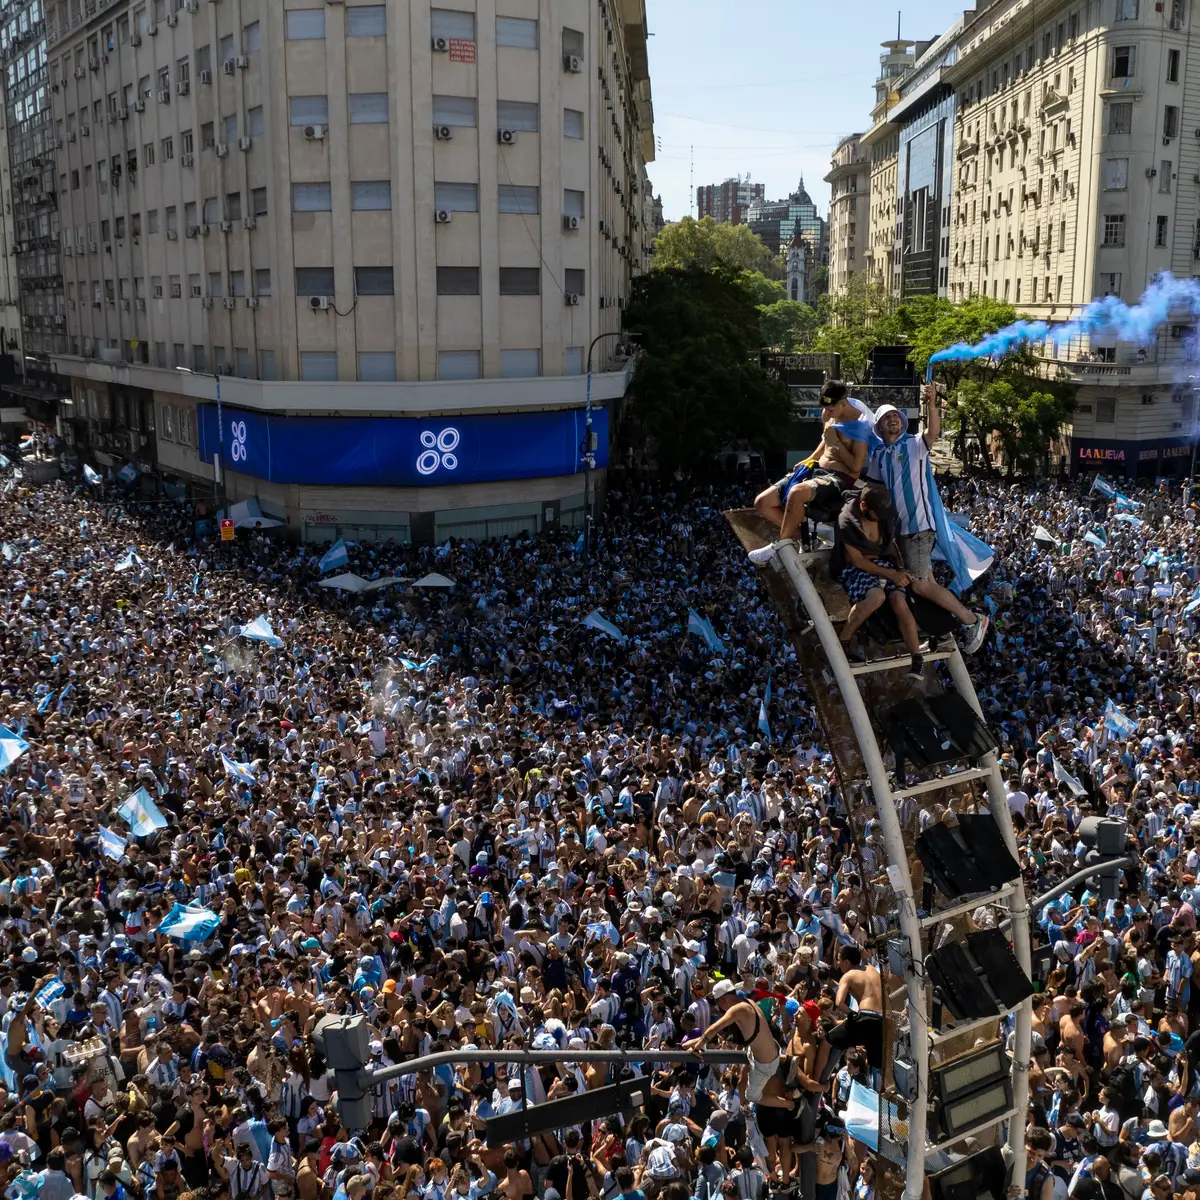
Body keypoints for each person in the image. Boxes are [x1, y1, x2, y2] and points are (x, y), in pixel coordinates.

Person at [868, 391, 989, 655]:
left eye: (896, 416)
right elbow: (872, 490)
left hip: (919, 527)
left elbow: (933, 432)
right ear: (878, 427)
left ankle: (972, 620)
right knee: (928, 583)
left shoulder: (912, 444)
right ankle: (941, 629)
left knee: (919, 585)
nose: (893, 420)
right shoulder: (878, 456)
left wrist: (932, 404)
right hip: (902, 532)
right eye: (886, 417)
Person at [749, 380, 875, 559]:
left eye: (831, 410)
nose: (827, 414)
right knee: (762, 503)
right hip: (817, 470)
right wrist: (810, 459)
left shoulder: (861, 425)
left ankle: (781, 544)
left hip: (840, 478)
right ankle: (807, 537)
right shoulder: (828, 413)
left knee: (796, 493)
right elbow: (826, 442)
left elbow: (855, 466)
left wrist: (837, 444)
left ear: (843, 404)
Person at [830, 485, 926, 678]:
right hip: (855, 568)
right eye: (876, 514)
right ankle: (845, 639)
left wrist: (899, 569)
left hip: (882, 563)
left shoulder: (883, 519)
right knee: (876, 597)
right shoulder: (846, 522)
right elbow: (858, 560)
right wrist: (891, 575)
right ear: (864, 506)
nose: (879, 517)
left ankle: (916, 656)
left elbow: (890, 546)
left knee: (899, 599)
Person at [688, 980, 781, 1105]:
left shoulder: (737, 1010)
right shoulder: (749, 1002)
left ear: (723, 1000)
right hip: (769, 1050)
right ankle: (785, 1059)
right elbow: (746, 1036)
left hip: (765, 1063)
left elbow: (713, 1029)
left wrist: (696, 1047)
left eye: (717, 1002)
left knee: (752, 1096)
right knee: (742, 1077)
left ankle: (791, 1105)